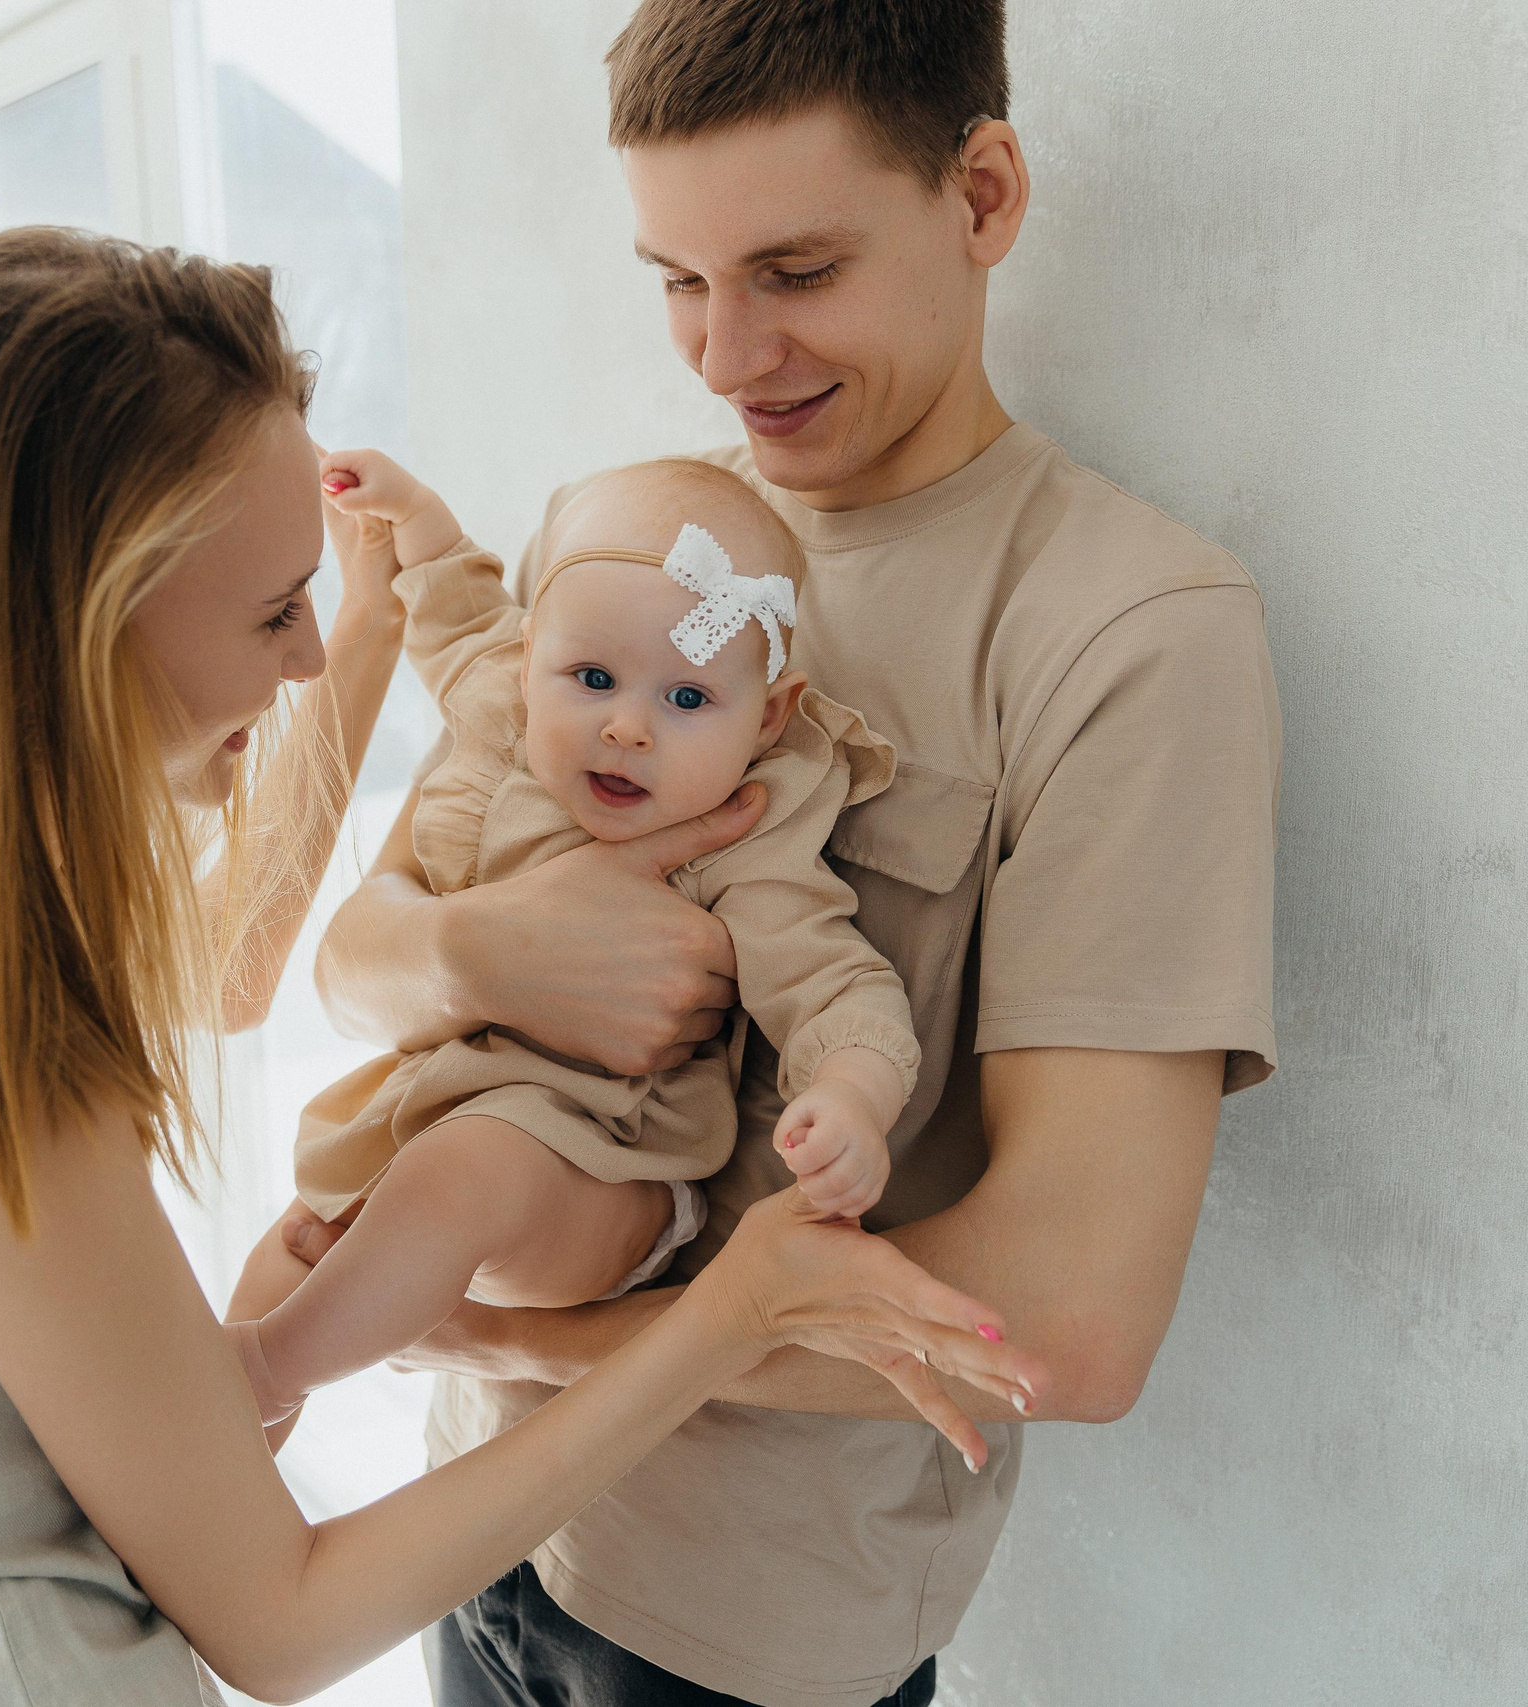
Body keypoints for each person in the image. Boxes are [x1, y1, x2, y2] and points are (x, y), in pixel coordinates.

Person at [0, 225, 1044, 1706]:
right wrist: (729, 1313)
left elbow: (227, 972)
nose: (307, 656)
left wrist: (377, 642)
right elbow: (284, 1621)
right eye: (271, 611)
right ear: (78, 616)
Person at [253, 3, 1284, 1703]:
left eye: (795, 271)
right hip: (475, 1525)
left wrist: (503, 1330)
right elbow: (374, 938)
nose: (725, 358)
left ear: (985, 194)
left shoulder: (1127, 628)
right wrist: (476, 956)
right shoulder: (648, 529)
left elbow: (1073, 1316)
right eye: (677, 277)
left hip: (738, 1641)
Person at [228, 450, 949, 1433]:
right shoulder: (507, 703)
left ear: (768, 717)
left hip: (606, 1170)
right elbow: (453, 607)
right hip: (439, 1109)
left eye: (687, 699)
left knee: (458, 1174)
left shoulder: (746, 834)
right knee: (306, 1238)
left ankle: (267, 1371)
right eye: (593, 677)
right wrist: (413, 514)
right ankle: (218, 1463)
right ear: (531, 661)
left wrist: (850, 1100)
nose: (625, 728)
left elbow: (837, 987)